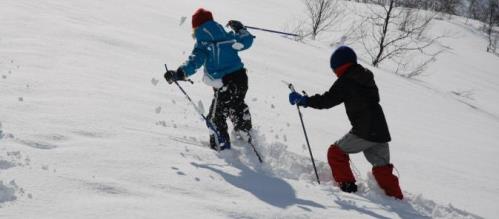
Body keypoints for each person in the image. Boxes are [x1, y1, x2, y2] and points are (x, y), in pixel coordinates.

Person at [288, 46, 403, 199]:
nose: (334, 73)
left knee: (335, 152)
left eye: (333, 69)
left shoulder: (346, 80)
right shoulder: (365, 76)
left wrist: (305, 100)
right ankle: (397, 200)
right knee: (382, 168)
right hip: (381, 130)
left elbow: (327, 100)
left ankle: (348, 190)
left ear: (338, 66)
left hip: (364, 130)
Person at [164, 8, 255, 151]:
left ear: (196, 27)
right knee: (235, 106)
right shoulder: (228, 36)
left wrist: (180, 73)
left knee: (215, 118)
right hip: (241, 78)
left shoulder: (203, 42)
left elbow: (194, 62)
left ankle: (222, 149)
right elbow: (246, 41)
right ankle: (245, 133)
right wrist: (241, 29)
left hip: (225, 83)